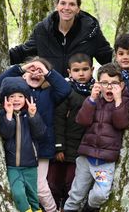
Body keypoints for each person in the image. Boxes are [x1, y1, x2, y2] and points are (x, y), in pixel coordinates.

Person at [0, 57, 71, 212]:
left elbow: (65, 89)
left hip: (41, 147)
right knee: (24, 189)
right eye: (33, 70)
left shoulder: (50, 94)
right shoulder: (18, 93)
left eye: (40, 72)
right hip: (18, 148)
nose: (36, 73)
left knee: (40, 187)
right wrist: (23, 67)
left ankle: (52, 210)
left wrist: (47, 72)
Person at [63, 63, 129, 212]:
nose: (109, 87)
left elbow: (121, 123)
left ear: (122, 85)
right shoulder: (93, 100)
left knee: (101, 194)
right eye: (104, 83)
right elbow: (82, 120)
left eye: (114, 83)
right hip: (86, 158)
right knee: (76, 192)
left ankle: (89, 207)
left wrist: (118, 101)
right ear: (98, 84)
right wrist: (92, 99)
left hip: (105, 162)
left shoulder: (124, 101)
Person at [9, 0, 113, 77]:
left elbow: (108, 57)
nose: (66, 8)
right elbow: (22, 52)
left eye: (72, 4)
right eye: (63, 3)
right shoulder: (42, 30)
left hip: (79, 94)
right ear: (57, 6)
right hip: (49, 91)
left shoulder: (90, 32)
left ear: (78, 9)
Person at [47, 53, 95, 211]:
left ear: (92, 70)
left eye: (85, 69)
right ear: (69, 72)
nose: (81, 73)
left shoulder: (95, 93)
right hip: (63, 145)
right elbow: (59, 119)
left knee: (71, 183)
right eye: (76, 70)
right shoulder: (67, 92)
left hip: (81, 148)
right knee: (53, 182)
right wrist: (59, 146)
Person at [0, 76, 46, 212]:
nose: (16, 99)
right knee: (18, 194)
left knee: (33, 197)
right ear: (5, 99)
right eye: (12, 96)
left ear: (26, 98)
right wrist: (8, 115)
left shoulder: (29, 114)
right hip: (13, 166)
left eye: (20, 96)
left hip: (30, 165)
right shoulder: (3, 115)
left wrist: (33, 116)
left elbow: (40, 133)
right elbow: (6, 134)